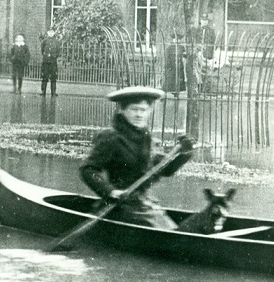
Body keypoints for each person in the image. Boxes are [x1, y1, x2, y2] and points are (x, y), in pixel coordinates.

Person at [80, 86, 195, 230]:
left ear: (149, 112)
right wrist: (110, 191)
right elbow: (88, 169)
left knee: (176, 229)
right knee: (169, 233)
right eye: (134, 109)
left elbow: (164, 170)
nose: (139, 115)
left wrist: (185, 153)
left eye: (143, 110)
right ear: (122, 110)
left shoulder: (147, 139)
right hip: (119, 206)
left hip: (143, 204)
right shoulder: (111, 138)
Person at [40, 28, 60, 96]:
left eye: (52, 32)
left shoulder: (56, 41)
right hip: (46, 61)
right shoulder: (44, 41)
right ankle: (43, 91)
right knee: (44, 76)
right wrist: (46, 56)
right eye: (49, 32)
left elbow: (58, 51)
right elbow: (42, 50)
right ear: (47, 33)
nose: (51, 33)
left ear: (54, 33)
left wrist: (53, 56)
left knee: (53, 77)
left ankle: (53, 92)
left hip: (53, 62)